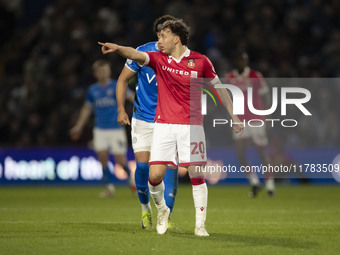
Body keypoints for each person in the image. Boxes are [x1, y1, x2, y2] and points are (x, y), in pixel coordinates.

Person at [98, 19, 243, 236]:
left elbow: (220, 88)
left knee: (196, 174)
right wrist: (119, 48)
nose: (159, 40)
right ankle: (162, 210)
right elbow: (136, 55)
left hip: (192, 127)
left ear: (176, 39)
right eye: (158, 36)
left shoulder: (201, 61)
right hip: (164, 125)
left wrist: (234, 115)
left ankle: (200, 225)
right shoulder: (158, 59)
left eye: (162, 36)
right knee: (154, 176)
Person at [116, 15, 179, 230]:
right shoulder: (144, 51)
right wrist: (121, 109)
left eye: (168, 34)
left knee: (169, 168)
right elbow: (123, 79)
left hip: (169, 121)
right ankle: (145, 209)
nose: (164, 38)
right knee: (142, 167)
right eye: (161, 34)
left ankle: (166, 214)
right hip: (142, 118)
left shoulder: (182, 57)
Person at [69, 59, 135, 198]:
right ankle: (109, 188)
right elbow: (87, 108)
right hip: (99, 129)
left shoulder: (117, 85)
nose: (103, 73)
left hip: (116, 128)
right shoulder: (93, 90)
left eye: (105, 70)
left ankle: (132, 182)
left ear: (109, 71)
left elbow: (131, 97)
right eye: (100, 71)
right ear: (95, 73)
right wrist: (78, 126)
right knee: (103, 158)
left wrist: (146, 106)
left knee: (120, 161)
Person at [225, 51, 275, 197]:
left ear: (247, 62)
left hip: (256, 117)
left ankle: (270, 185)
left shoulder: (255, 76)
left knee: (262, 152)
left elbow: (265, 96)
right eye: (239, 60)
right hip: (239, 120)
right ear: (235, 61)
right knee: (240, 153)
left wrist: (268, 116)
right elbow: (227, 99)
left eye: (244, 60)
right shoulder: (230, 77)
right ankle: (254, 182)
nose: (242, 62)